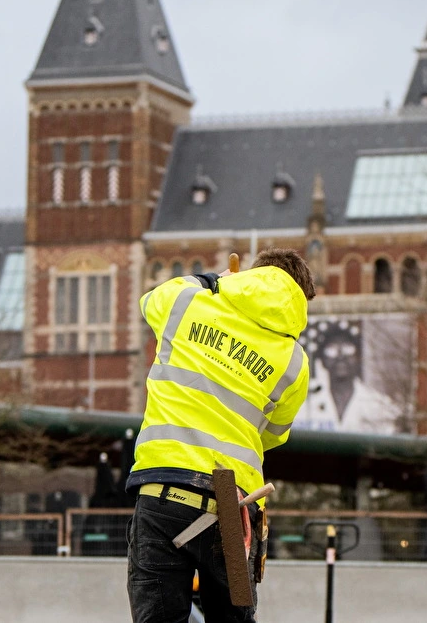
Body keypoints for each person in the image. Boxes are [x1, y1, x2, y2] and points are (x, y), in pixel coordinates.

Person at [127, 249, 315, 623]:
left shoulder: (187, 301)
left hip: (162, 491)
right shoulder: (294, 361)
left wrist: (214, 282)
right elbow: (274, 436)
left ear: (250, 275)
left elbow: (148, 302)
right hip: (232, 507)